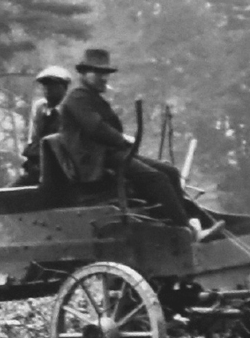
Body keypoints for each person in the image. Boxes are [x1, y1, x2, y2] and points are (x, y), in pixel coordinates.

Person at [57, 47, 205, 229]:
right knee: (157, 178)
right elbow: (96, 128)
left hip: (110, 154)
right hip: (95, 161)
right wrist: (123, 139)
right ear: (84, 73)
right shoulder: (77, 98)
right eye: (98, 73)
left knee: (171, 172)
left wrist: (122, 141)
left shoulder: (91, 98)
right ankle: (183, 229)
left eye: (106, 73)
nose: (104, 77)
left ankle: (188, 219)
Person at [19, 64, 73, 182]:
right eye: (45, 85)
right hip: (36, 166)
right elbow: (34, 138)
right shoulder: (40, 108)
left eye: (53, 85)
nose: (48, 89)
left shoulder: (69, 110)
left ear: (64, 88)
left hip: (60, 170)